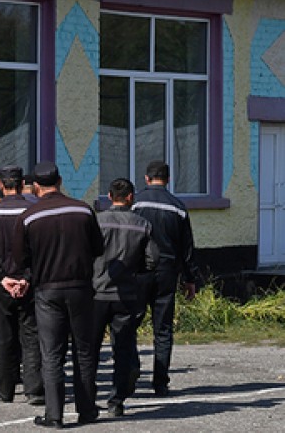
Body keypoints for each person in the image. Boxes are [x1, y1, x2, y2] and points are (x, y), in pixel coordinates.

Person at [12, 161, 104, 429]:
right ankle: (87, 410)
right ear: (61, 181)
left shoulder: (29, 217)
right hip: (80, 287)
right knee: (84, 351)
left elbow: (20, 259)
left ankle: (55, 415)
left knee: (52, 354)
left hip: (47, 290)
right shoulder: (83, 210)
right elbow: (98, 248)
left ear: (36, 187)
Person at [92, 178, 159, 417]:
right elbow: (153, 260)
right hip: (127, 294)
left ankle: (88, 397)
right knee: (122, 348)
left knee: (89, 349)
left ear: (110, 196)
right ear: (131, 197)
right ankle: (116, 401)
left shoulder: (96, 222)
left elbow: (85, 252)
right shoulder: (142, 224)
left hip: (97, 293)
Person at [0, 166, 44, 405]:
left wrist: (3, 278)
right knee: (31, 335)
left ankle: (4, 390)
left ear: (1, 187)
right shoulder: (34, 212)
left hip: (1, 285)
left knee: (3, 337)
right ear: (21, 184)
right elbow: (39, 251)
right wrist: (26, 277)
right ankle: (34, 389)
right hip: (29, 283)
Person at [132, 161, 198, 397]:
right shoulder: (178, 207)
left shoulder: (135, 204)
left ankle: (131, 374)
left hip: (139, 271)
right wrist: (190, 279)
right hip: (167, 271)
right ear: (168, 180)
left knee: (130, 324)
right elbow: (187, 248)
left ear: (147, 179)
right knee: (163, 329)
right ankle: (160, 382)